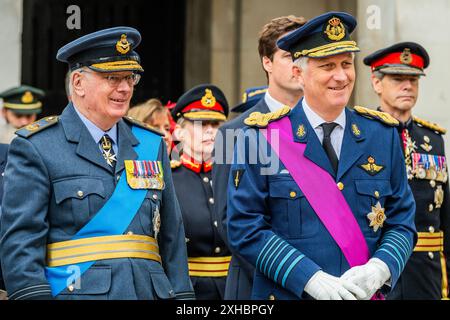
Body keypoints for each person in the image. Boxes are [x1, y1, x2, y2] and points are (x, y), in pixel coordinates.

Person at [227, 11, 417, 300]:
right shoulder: (259, 137)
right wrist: (308, 278)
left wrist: (380, 268)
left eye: (346, 64)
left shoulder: (382, 135)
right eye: (327, 65)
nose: (341, 76)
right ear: (298, 73)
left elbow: (401, 220)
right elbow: (244, 227)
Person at [0, 26, 194, 300]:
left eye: (130, 77)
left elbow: (172, 240)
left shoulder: (151, 145)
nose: (125, 88)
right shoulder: (38, 146)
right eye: (112, 78)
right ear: (78, 82)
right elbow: (21, 245)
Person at [212, 15, 306, 300]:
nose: (297, 65)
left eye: (304, 56)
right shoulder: (233, 132)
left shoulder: (327, 128)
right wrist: (295, 279)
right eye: (289, 56)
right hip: (259, 287)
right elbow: (231, 222)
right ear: (267, 62)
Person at [364, 42, 449, 299]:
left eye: (413, 80)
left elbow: (444, 211)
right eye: (398, 79)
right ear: (377, 83)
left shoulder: (433, 139)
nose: (408, 86)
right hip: (377, 265)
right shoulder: (362, 134)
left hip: (426, 269)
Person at [170, 84, 231, 299]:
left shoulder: (236, 175)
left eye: (215, 124)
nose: (210, 130)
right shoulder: (168, 178)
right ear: (179, 132)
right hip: (187, 289)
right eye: (200, 124)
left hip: (235, 287)